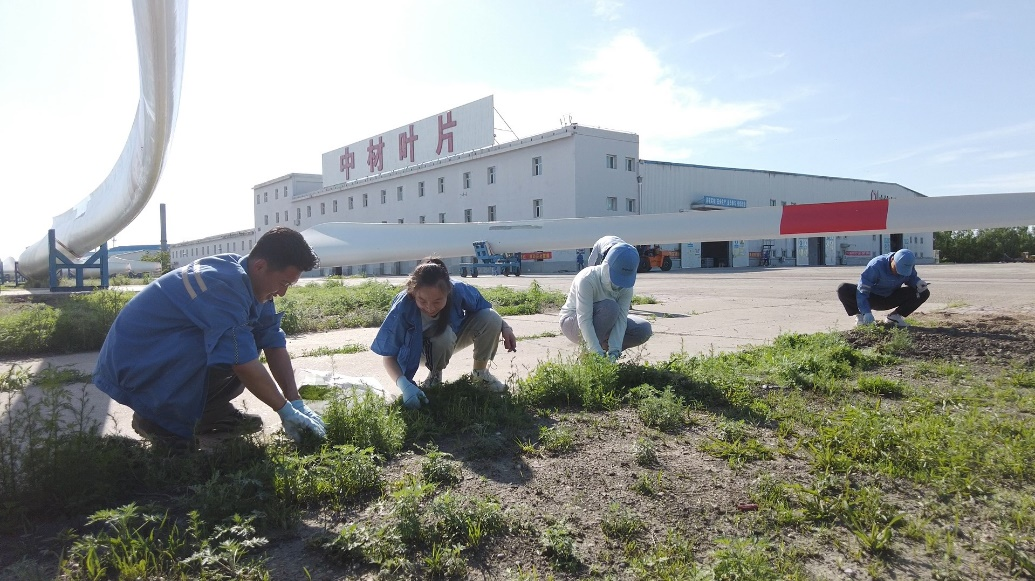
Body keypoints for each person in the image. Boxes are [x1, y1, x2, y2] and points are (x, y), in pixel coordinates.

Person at [93, 227, 327, 452]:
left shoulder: (255, 283)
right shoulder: (222, 284)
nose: (283, 292)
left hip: (160, 353)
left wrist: (295, 401)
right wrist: (284, 411)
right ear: (260, 266)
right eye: (284, 283)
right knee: (233, 348)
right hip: (137, 360)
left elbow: (272, 341)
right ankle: (157, 419)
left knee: (245, 342)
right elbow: (242, 361)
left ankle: (208, 414)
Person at [371, 258, 518, 408]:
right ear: (413, 293)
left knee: (491, 317)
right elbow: (389, 357)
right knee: (442, 336)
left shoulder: (458, 289)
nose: (430, 308)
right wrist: (404, 385)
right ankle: (434, 376)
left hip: (449, 340)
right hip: (417, 353)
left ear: (448, 292)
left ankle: (480, 375)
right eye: (422, 301)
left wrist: (506, 327)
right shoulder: (403, 306)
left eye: (437, 301)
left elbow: (485, 308)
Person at [559, 242, 652, 361]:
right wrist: (595, 351)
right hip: (573, 323)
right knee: (610, 307)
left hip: (604, 323)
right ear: (606, 266)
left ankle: (605, 355)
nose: (618, 284)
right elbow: (584, 318)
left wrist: (615, 350)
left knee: (643, 329)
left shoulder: (626, 286)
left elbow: (621, 320)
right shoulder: (587, 279)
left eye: (623, 278)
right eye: (616, 277)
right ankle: (589, 356)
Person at [837, 248, 930, 328]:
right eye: (897, 268)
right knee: (843, 289)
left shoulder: (908, 265)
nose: (898, 273)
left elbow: (911, 278)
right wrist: (866, 311)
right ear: (892, 259)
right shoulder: (876, 265)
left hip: (891, 297)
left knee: (923, 292)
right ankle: (861, 317)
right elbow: (863, 290)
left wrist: (917, 282)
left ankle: (894, 317)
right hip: (872, 298)